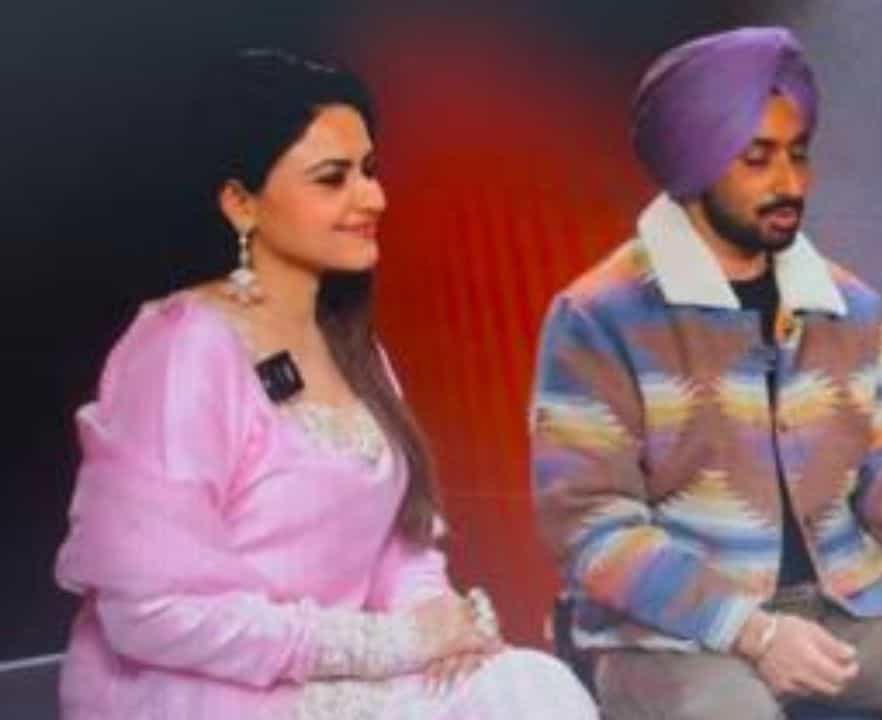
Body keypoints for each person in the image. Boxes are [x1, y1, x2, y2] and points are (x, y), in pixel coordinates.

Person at [54, 48, 597, 720]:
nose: (373, 198)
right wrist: (392, 643)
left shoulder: (353, 347)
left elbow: (401, 544)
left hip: (354, 677)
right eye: (333, 178)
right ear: (240, 203)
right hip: (201, 691)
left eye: (369, 171)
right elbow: (152, 611)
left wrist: (437, 622)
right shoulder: (180, 350)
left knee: (526, 685)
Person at [530, 27, 882, 719]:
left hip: (841, 607)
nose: (789, 182)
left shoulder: (848, 306)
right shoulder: (602, 316)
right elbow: (592, 528)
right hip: (668, 636)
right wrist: (753, 631)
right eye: (758, 159)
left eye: (798, 154)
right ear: (696, 162)